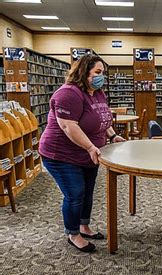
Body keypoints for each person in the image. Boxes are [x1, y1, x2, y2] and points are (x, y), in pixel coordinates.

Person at [39, 54, 125, 253]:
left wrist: (112, 136)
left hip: (88, 154)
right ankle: (73, 233)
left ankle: (84, 226)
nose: (101, 77)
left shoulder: (97, 92)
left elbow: (103, 118)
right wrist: (89, 147)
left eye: (102, 73)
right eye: (97, 72)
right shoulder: (68, 94)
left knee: (87, 192)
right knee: (75, 193)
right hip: (61, 155)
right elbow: (68, 126)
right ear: (83, 71)